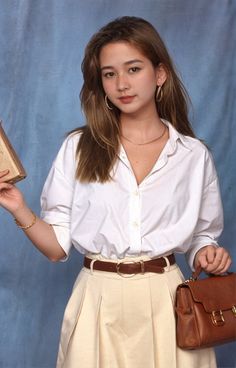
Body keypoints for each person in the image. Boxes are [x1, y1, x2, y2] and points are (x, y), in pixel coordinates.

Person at [0, 16, 232, 368]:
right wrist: (18, 208)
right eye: (109, 74)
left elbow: (202, 236)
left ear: (160, 74)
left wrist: (207, 254)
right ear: (101, 84)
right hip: (97, 297)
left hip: (166, 301)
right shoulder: (78, 147)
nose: (122, 83)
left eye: (133, 68)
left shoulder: (192, 155)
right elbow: (56, 248)